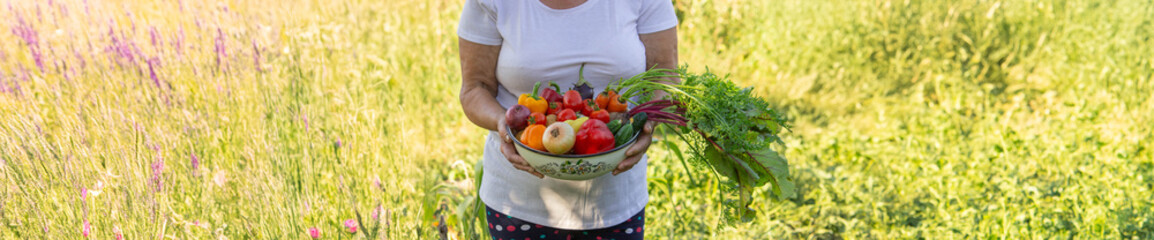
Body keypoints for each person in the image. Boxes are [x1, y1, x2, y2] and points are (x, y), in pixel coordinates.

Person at [457, 0, 677, 239]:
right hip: (520, 200)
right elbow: (474, 88)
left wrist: (648, 125)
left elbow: (666, 77)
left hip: (614, 202)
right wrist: (503, 123)